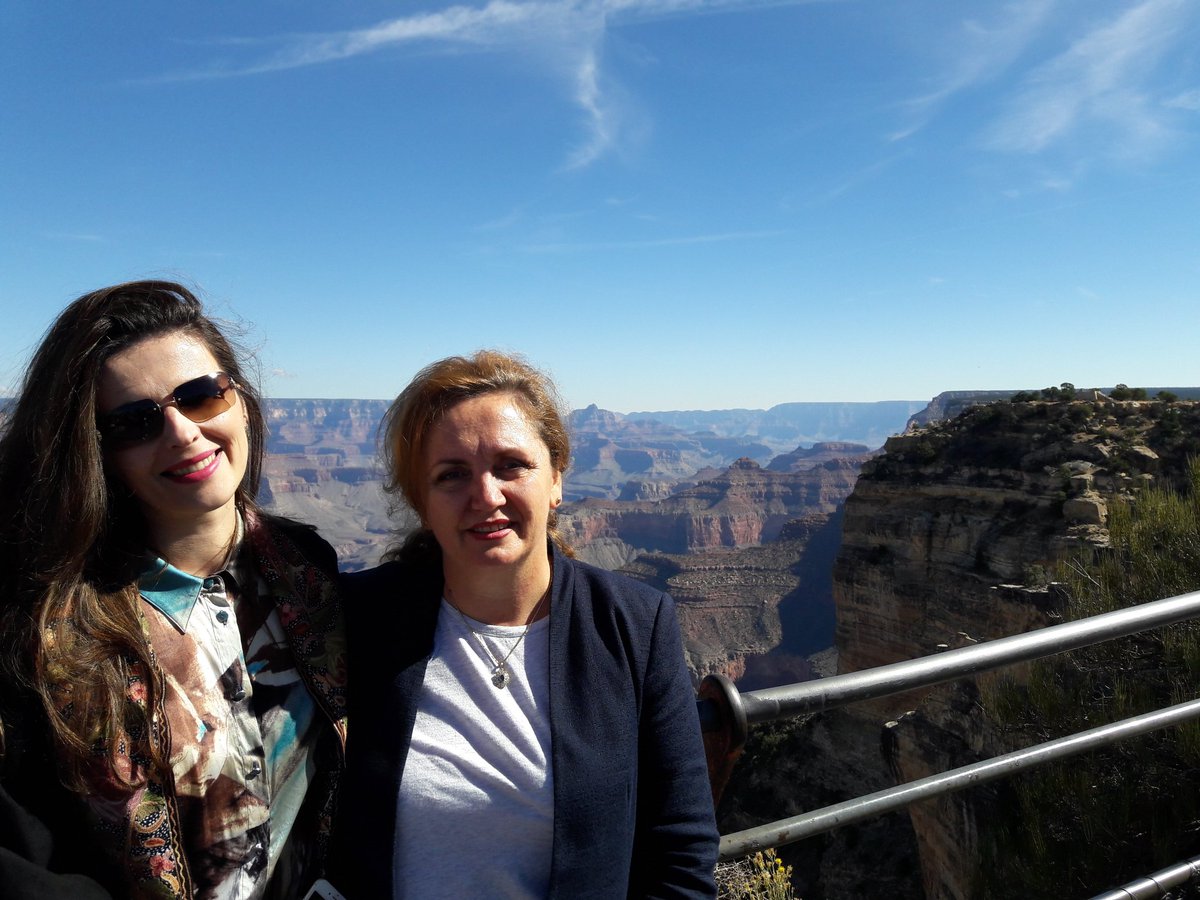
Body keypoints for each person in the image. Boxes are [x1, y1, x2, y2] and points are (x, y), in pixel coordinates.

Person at [0, 281, 348, 899]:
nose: (183, 432)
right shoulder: (43, 630)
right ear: (98, 453)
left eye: (200, 396)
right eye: (134, 423)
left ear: (240, 402)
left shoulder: (309, 571)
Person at [334, 350, 718, 898]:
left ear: (556, 478)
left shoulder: (635, 625)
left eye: (511, 465)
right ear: (422, 502)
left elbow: (680, 851)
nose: (486, 496)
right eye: (452, 475)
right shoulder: (357, 619)